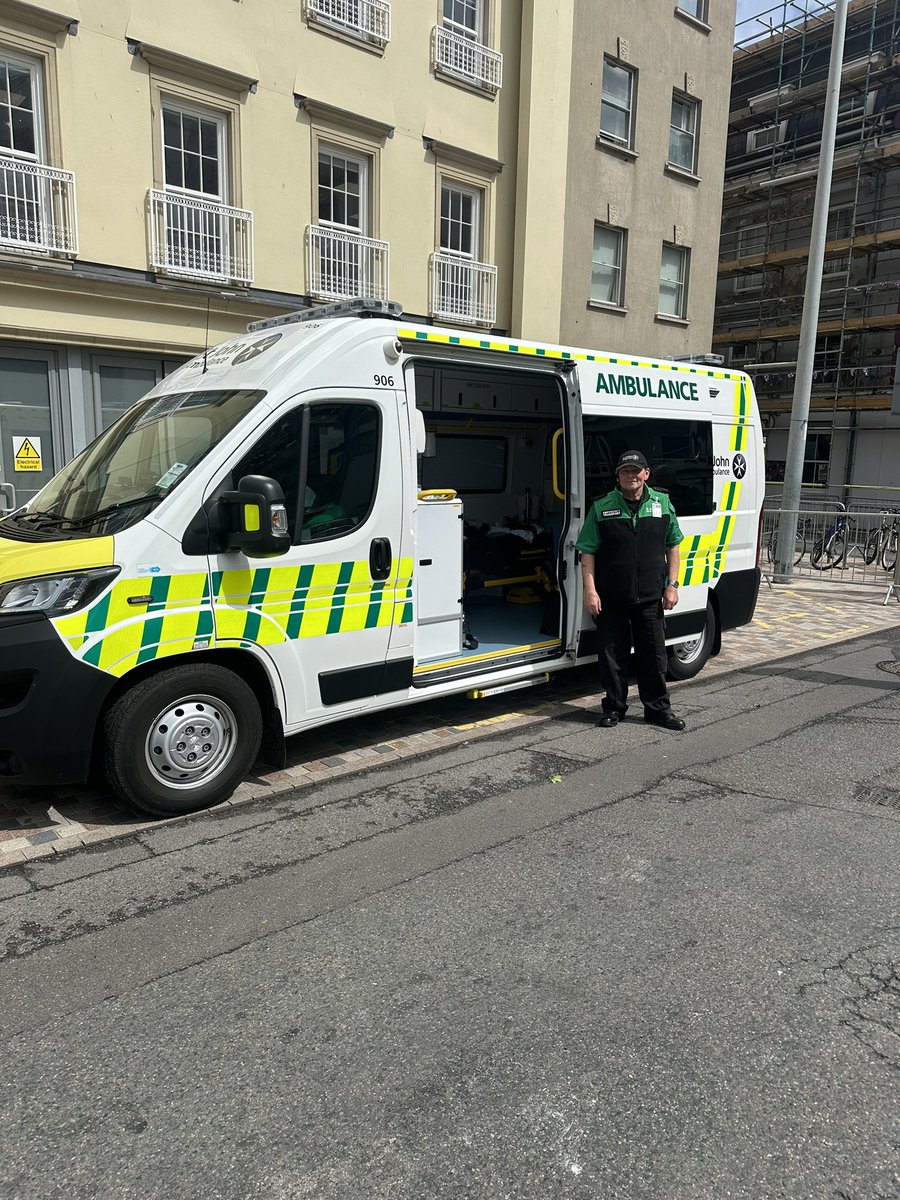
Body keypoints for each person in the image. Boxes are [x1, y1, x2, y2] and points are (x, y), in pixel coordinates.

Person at [576, 450, 686, 731]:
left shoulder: (662, 503)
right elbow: (586, 551)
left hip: (650, 598)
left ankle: (658, 710)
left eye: (636, 471)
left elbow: (673, 544)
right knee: (613, 658)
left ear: (646, 474)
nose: (631, 476)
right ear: (618, 477)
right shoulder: (602, 507)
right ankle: (614, 708)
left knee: (654, 657)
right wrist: (590, 591)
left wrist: (672, 585)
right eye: (625, 471)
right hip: (611, 599)